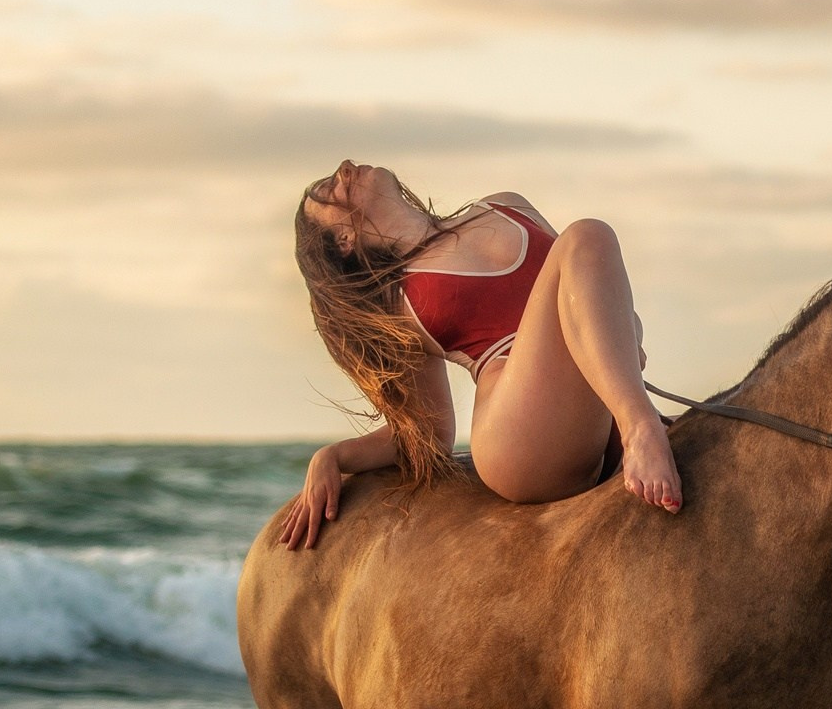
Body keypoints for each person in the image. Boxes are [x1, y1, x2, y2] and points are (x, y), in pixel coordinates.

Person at [277, 161, 681, 549]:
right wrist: (332, 456)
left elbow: (589, 292)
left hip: (589, 411)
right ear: (344, 240)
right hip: (519, 435)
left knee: (585, 244)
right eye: (330, 191)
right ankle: (643, 430)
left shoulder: (506, 205)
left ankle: (636, 426)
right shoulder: (398, 303)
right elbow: (428, 435)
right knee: (587, 234)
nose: (345, 169)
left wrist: (624, 333)